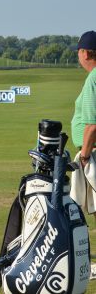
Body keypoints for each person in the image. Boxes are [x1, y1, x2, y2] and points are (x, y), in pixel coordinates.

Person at [70, 31, 96, 214]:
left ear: (86, 53)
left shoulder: (93, 78)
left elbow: (92, 124)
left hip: (92, 153)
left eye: (78, 51)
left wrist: (85, 157)